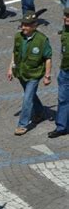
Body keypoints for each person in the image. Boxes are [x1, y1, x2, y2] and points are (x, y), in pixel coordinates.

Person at [7, 10, 52, 136]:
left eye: (26, 25)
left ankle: (22, 124)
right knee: (31, 95)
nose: (23, 27)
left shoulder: (42, 40)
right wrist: (10, 67)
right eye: (22, 24)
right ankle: (40, 112)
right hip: (21, 72)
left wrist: (47, 76)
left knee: (27, 98)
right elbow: (14, 53)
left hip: (34, 74)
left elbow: (48, 58)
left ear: (34, 25)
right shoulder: (18, 37)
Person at [48, 8, 69, 138]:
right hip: (65, 70)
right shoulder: (65, 30)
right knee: (62, 99)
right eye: (66, 15)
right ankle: (61, 127)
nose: (66, 18)